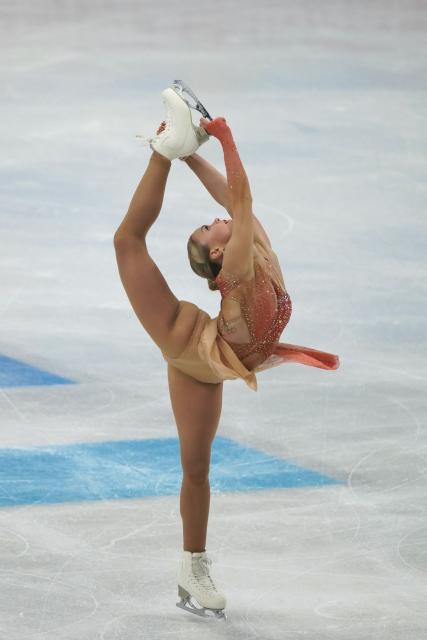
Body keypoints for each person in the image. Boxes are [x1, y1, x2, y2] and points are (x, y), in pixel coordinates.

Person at [113, 85, 340, 619]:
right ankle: (158, 152)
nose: (216, 217)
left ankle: (192, 566)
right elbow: (239, 196)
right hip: (184, 339)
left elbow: (233, 200)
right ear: (218, 253)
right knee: (127, 242)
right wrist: (225, 138)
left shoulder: (251, 242)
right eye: (208, 226)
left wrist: (195, 153)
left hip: (208, 359)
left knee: (196, 469)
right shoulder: (236, 268)